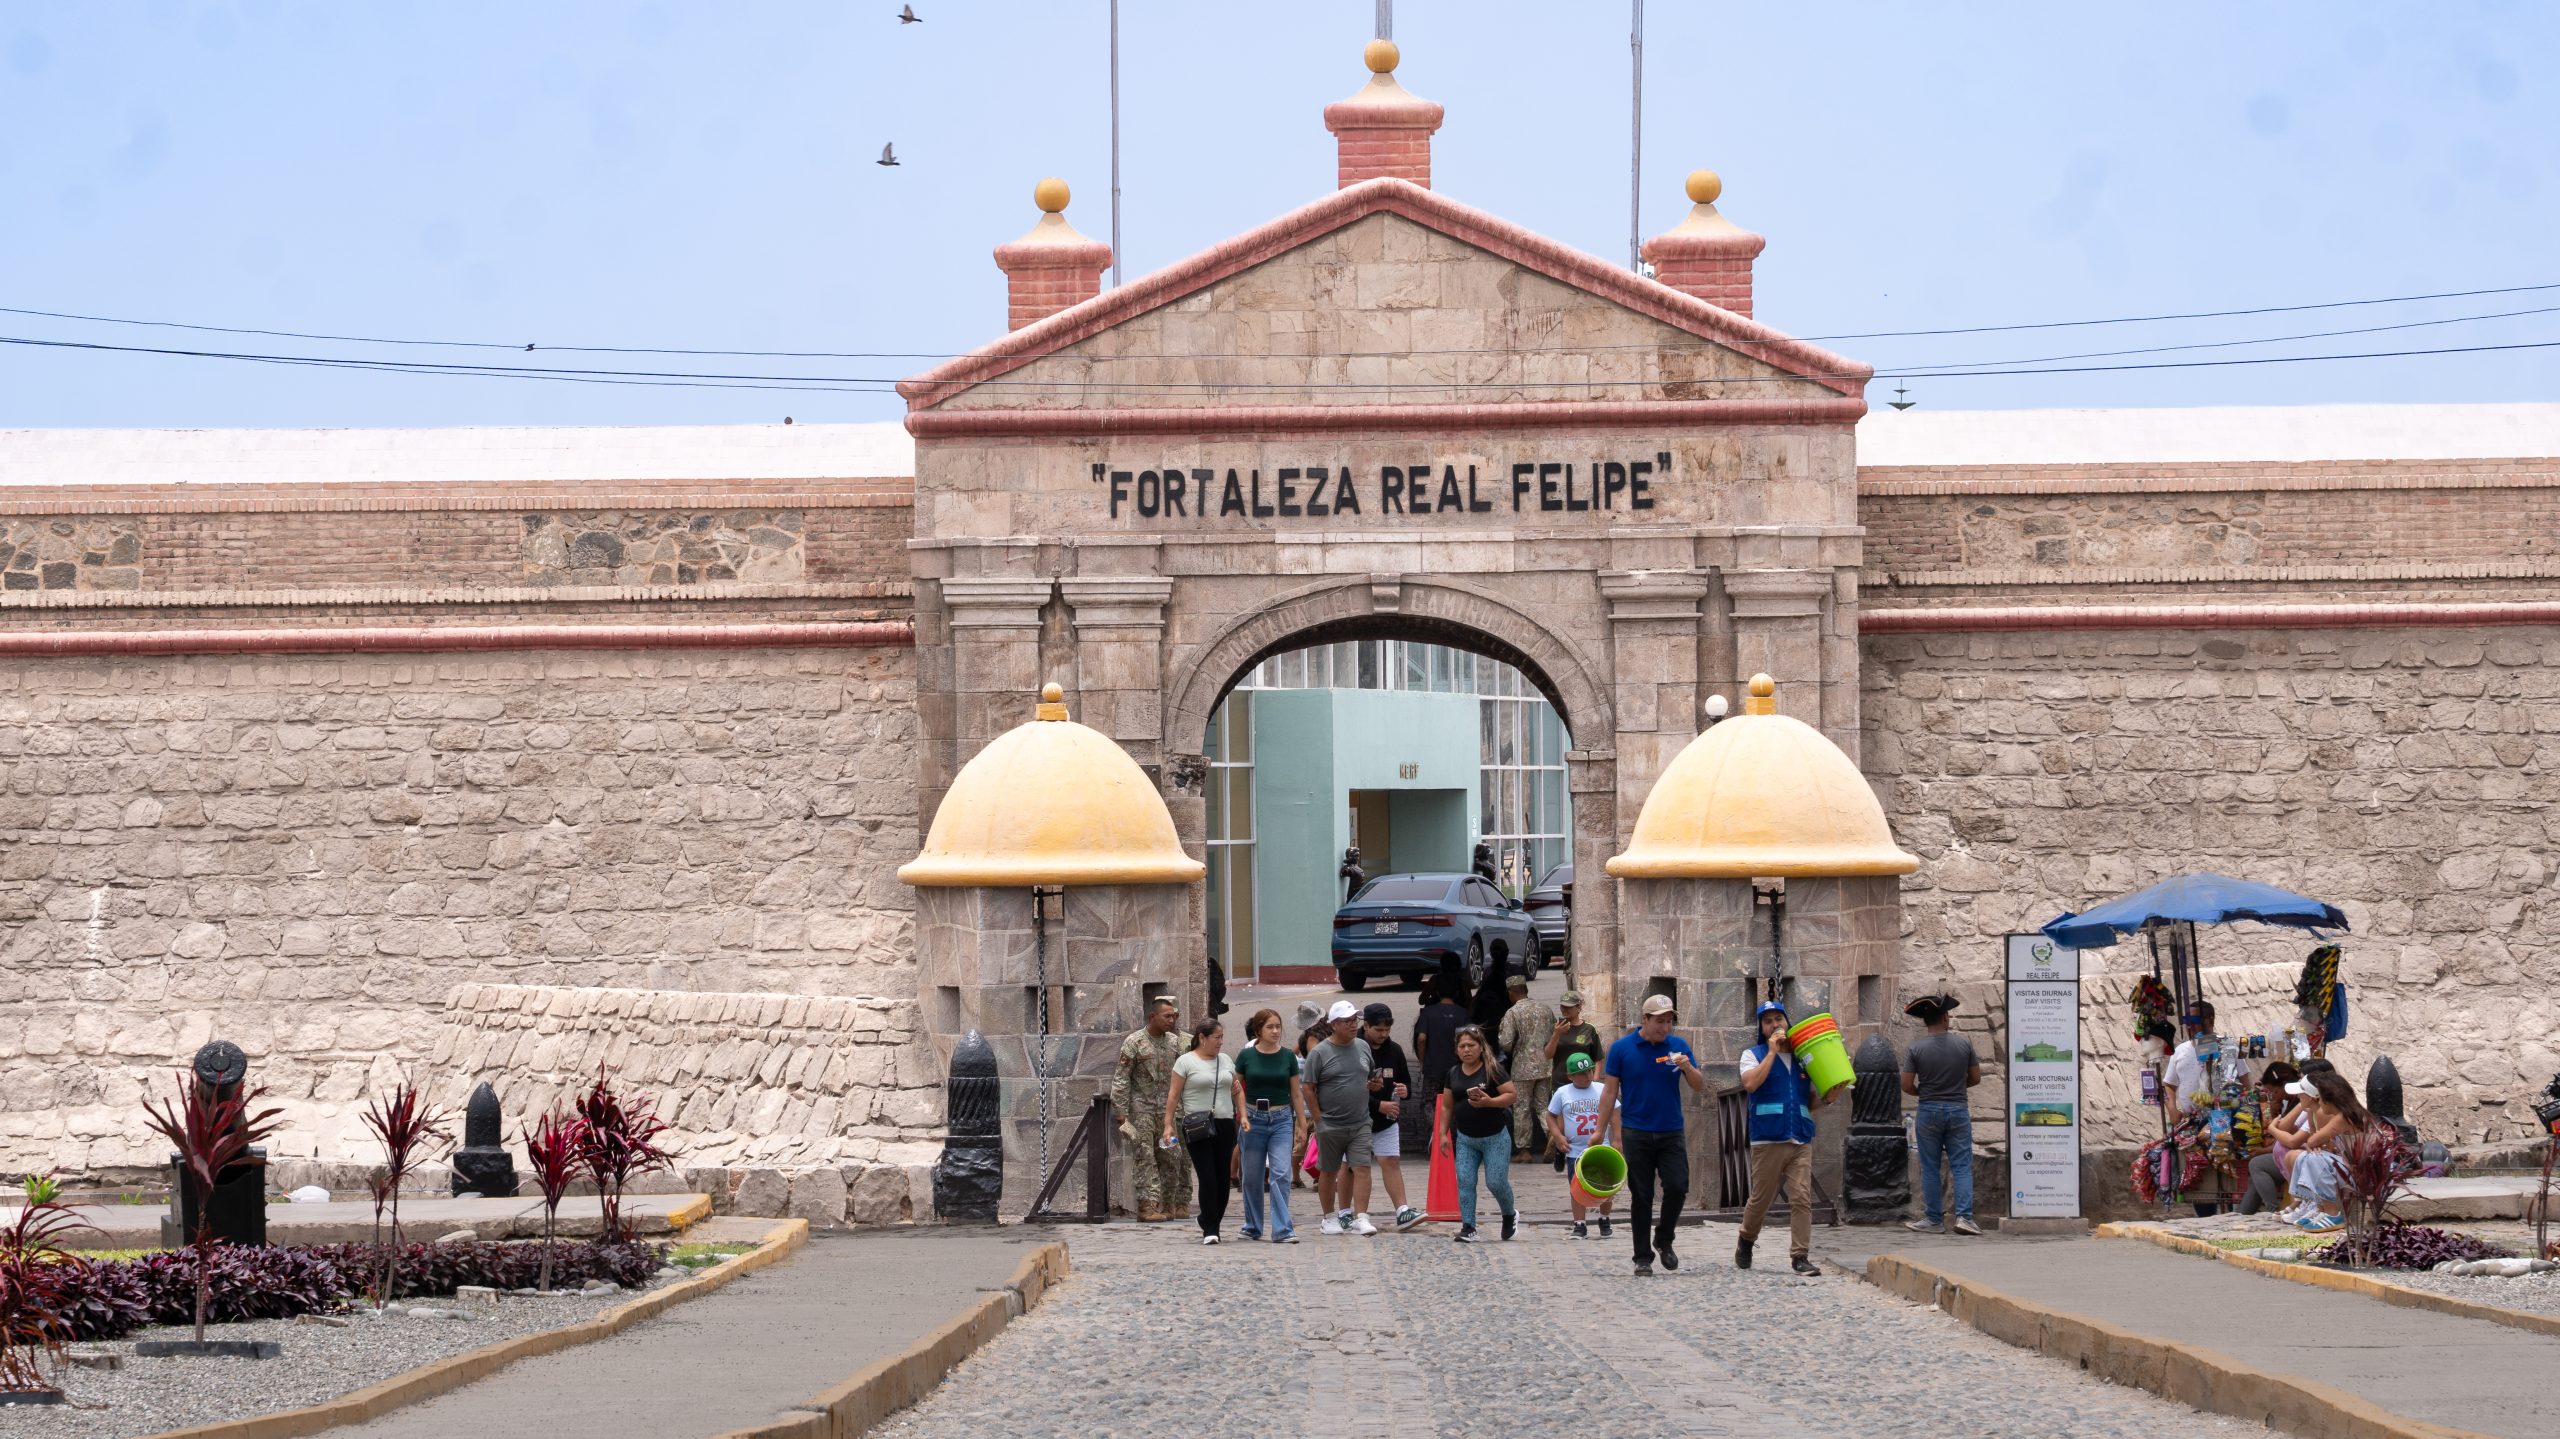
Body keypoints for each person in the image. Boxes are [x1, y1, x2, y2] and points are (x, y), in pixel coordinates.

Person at [1600, 993, 1707, 1276]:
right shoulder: (1622, 1049)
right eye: (1660, 1021)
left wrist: (1687, 1067)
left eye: (1669, 1021)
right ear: (1644, 1020)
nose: (1665, 1027)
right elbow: (1609, 1091)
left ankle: (1664, 1237)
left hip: (1670, 1130)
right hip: (1636, 1131)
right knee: (1642, 1195)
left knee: (1677, 1186)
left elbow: (1698, 1084)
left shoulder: (1678, 1046)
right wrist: (1601, 1131)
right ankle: (1642, 1257)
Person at [1736, 999, 1839, 1276]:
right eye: (1767, 1021)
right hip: (1768, 1138)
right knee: (1762, 1198)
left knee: (1801, 1198)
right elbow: (1750, 1084)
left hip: (1800, 1137)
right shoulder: (1752, 1054)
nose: (1774, 1025)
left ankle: (1799, 1256)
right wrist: (1771, 1053)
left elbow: (1810, 1100)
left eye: (1778, 1019)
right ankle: (1746, 1238)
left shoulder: (1803, 1057)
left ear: (1787, 1022)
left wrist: (1829, 1099)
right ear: (1761, 1027)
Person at [1899, 993, 1983, 1236]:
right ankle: (1965, 1218)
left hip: (1928, 1110)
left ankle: (1934, 1220)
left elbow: (1906, 1085)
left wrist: (1923, 1091)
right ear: (1945, 1018)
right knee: (1962, 1166)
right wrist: (1955, 1088)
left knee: (1930, 1166)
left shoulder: (1915, 1048)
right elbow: (1975, 1078)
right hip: (1958, 1109)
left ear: (1926, 1022)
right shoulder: (1964, 1044)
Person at [1163, 1018, 1247, 1245]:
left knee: (1222, 1178)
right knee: (1207, 1177)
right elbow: (1173, 1095)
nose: (1220, 1042)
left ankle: (1209, 1218)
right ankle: (1211, 1228)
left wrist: (1243, 1115)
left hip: (1224, 1124)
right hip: (1197, 1125)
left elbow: (1236, 1090)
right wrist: (1168, 1124)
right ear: (1202, 1037)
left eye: (1222, 1038)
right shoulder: (1185, 1062)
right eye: (1216, 1037)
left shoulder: (1226, 1060)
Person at [1300, 1000, 1378, 1235]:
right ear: (1334, 1024)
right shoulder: (1320, 1052)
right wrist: (1318, 1119)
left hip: (1360, 1121)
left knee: (1362, 1167)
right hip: (1330, 1123)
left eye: (1355, 1020)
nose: (1354, 1025)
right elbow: (1308, 1088)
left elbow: (1369, 1076)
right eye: (1348, 1021)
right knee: (1329, 1171)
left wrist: (1374, 1085)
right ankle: (1329, 1217)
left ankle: (1361, 1217)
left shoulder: (1363, 1046)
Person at [1110, 996, 1190, 1222]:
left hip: (1168, 1115)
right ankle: (1147, 1207)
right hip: (1141, 1111)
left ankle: (1168, 1204)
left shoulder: (1174, 1043)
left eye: (1174, 1016)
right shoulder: (1135, 1042)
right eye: (1167, 1016)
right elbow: (1121, 1078)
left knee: (1171, 1156)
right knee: (1145, 1158)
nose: (1171, 1020)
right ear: (1152, 1017)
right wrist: (1121, 1113)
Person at [1441, 1025, 1520, 1242]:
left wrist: (1489, 1102)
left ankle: (1509, 1214)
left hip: (1495, 1137)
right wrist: (1441, 1134)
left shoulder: (1493, 1070)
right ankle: (1468, 1227)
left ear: (1480, 1047)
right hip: (1466, 1139)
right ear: (1457, 1050)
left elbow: (1511, 1095)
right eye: (1461, 1046)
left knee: (1495, 1182)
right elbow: (1447, 1106)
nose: (1466, 1050)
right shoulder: (1453, 1073)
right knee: (1465, 1181)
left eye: (1470, 1045)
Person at [1233, 1008, 1304, 1242]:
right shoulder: (1246, 1056)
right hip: (1253, 1119)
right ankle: (1252, 1225)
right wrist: (1242, 1113)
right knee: (1252, 1176)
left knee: (1281, 1173)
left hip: (1282, 1118)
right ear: (1258, 1031)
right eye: (1269, 1027)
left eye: (1278, 1026)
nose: (1275, 1031)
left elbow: (1296, 1093)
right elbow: (1236, 1089)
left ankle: (1283, 1229)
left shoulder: (1287, 1057)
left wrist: (1302, 1123)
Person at [2282, 1070, 2374, 1232]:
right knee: (2307, 1156)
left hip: (2365, 1176)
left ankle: (2332, 1214)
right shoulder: (2346, 1113)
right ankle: (2318, 1207)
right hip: (2356, 1171)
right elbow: (2317, 1142)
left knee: (2315, 1158)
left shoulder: (2344, 1117)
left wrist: (2316, 1144)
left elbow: (2312, 1140)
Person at [1360, 1002, 1425, 1231]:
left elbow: (1405, 1081)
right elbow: (1346, 1090)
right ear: (1365, 1025)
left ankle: (1402, 1210)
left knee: (1391, 1161)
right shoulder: (1354, 1048)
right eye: (1378, 1030)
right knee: (1354, 1167)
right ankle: (1355, 1214)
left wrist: (1404, 1092)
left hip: (1387, 1120)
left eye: (1387, 1030)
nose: (1383, 1035)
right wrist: (1378, 1105)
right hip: (1356, 1119)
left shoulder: (1394, 1050)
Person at [1545, 1052, 1616, 1240]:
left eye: (1589, 1071)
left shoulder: (1602, 1089)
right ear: (1570, 1076)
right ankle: (1579, 1224)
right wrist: (1558, 1136)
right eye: (1581, 1074)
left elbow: (1616, 1110)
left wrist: (1617, 1139)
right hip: (1575, 1150)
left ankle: (1604, 1218)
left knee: (1606, 1184)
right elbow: (1550, 1115)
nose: (1587, 1077)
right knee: (1576, 1187)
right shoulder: (1562, 1093)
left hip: (1602, 1147)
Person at [1496, 974, 1558, 1159]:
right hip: (1546, 1064)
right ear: (1526, 990)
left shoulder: (1513, 1012)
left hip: (1523, 1067)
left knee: (1522, 1107)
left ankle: (1524, 1150)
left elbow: (1505, 1042)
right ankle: (1551, 1133)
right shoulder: (1545, 1009)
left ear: (1510, 993)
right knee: (1542, 1105)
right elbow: (1555, 1033)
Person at [1544, 991, 1605, 1171]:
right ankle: (1560, 1147)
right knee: (1561, 1121)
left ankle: (1578, 1150)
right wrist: (1556, 1035)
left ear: (1579, 1008)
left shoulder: (1589, 1030)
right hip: (1561, 1080)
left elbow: (1598, 1057)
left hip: (1584, 1080)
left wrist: (1595, 1078)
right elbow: (1547, 1054)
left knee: (1580, 1118)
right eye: (1563, 1007)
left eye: (1569, 1007)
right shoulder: (1557, 1028)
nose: (1565, 1010)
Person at [2238, 1060, 2305, 1217]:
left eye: (2274, 1092)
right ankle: (2242, 1215)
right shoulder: (2291, 1102)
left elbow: (2286, 1134)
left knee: (2256, 1165)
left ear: (2284, 1085)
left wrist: (2274, 1125)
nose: (2274, 1096)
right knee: (2256, 1179)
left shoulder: (2300, 1103)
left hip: (2294, 1155)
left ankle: (2272, 1210)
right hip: (2286, 1152)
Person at [1412, 981, 1469, 1106]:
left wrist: (1422, 1061)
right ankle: (1450, 1125)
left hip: (1433, 1066)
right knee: (1454, 1101)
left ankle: (1432, 1126)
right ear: (1457, 993)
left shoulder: (1428, 1012)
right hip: (1456, 1067)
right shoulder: (1463, 1013)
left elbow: (1421, 1038)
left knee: (1429, 1102)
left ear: (1437, 993)